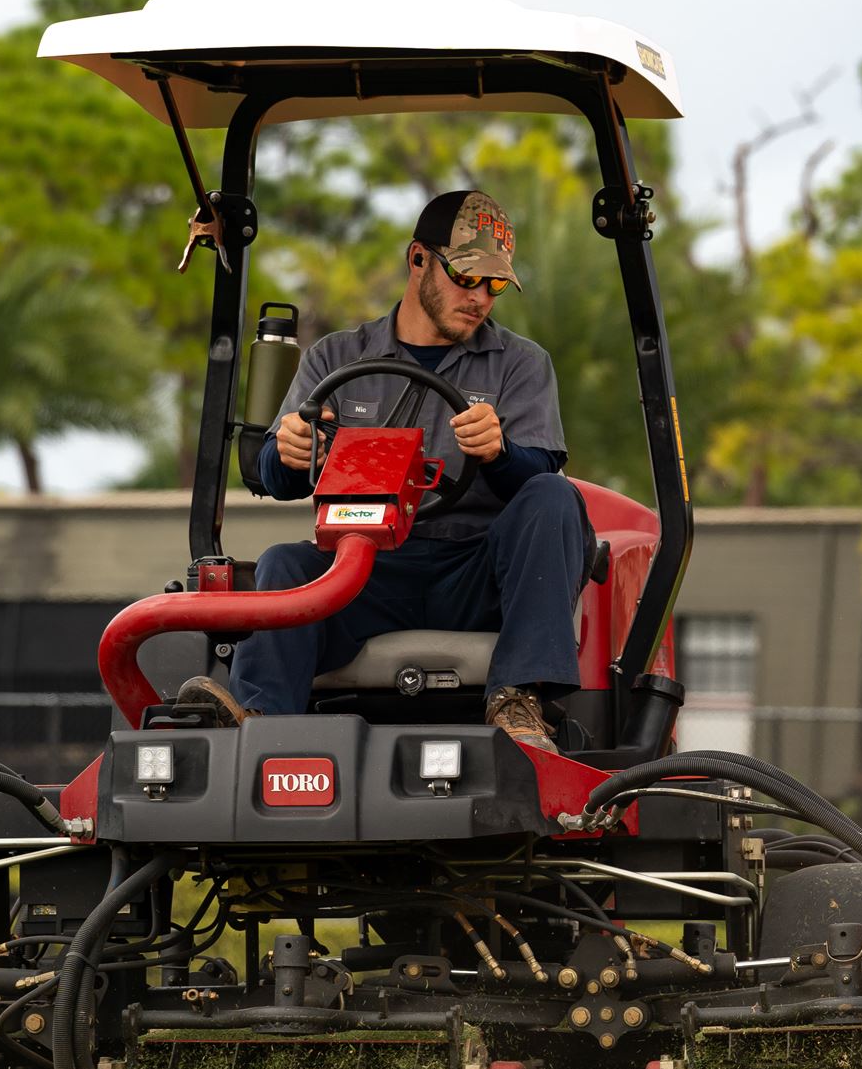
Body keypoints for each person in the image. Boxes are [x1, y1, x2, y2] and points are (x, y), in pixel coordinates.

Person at [175, 189, 589, 748]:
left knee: (554, 496)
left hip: (475, 570)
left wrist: (500, 452)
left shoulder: (520, 364)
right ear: (419, 259)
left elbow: (535, 473)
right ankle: (261, 726)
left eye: (494, 285)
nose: (481, 299)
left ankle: (517, 702)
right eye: (467, 278)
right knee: (283, 564)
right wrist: (293, 450)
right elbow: (278, 477)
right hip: (367, 567)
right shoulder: (338, 358)